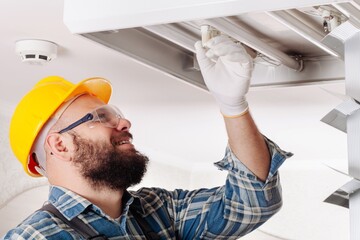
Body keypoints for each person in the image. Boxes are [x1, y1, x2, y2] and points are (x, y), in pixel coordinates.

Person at [3, 36, 291, 239]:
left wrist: (233, 107)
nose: (124, 122)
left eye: (115, 114)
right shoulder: (36, 237)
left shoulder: (158, 209)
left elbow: (252, 204)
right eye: (101, 117)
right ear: (60, 145)